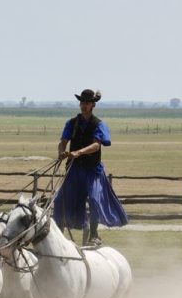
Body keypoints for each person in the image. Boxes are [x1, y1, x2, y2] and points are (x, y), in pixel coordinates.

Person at [53, 88, 128, 245]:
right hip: (74, 170)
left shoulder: (99, 124)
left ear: (93, 105)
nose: (83, 105)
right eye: (82, 102)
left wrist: (78, 152)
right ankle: (58, 235)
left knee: (94, 199)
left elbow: (96, 146)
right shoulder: (71, 123)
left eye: (87, 103)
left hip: (92, 171)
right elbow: (63, 142)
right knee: (60, 200)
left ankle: (94, 234)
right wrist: (61, 152)